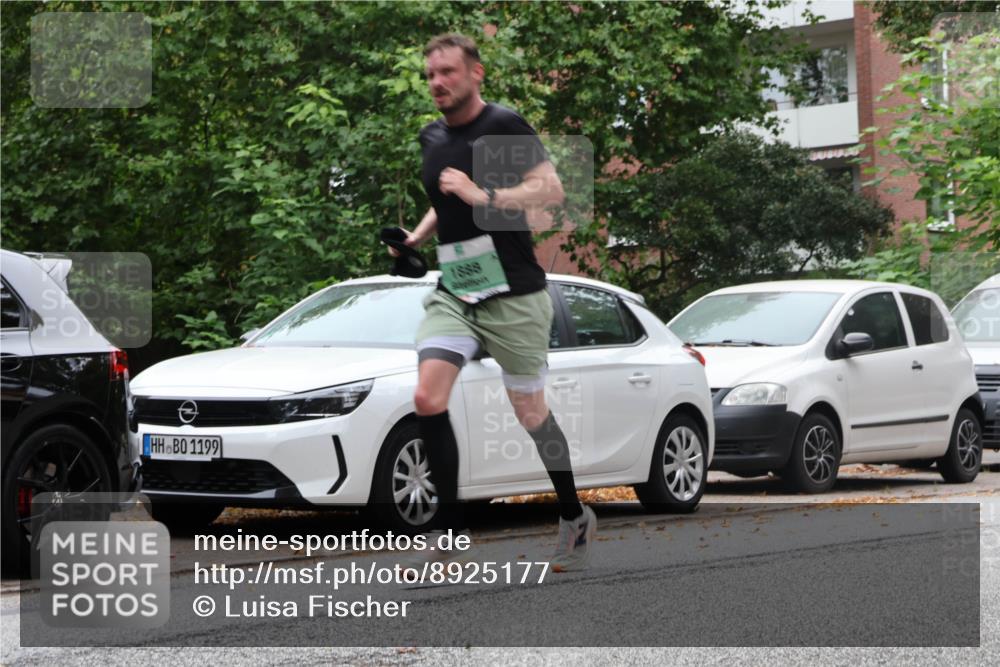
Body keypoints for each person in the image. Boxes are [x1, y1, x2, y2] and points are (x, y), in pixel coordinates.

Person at [389, 33, 596, 572]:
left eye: (448, 72)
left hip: (515, 293)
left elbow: (549, 189)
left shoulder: (501, 127)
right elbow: (443, 200)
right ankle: (446, 533)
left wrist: (486, 196)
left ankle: (573, 514)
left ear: (475, 73)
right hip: (457, 288)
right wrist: (413, 238)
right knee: (427, 397)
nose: (438, 82)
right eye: (431, 73)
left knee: (530, 414)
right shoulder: (431, 136)